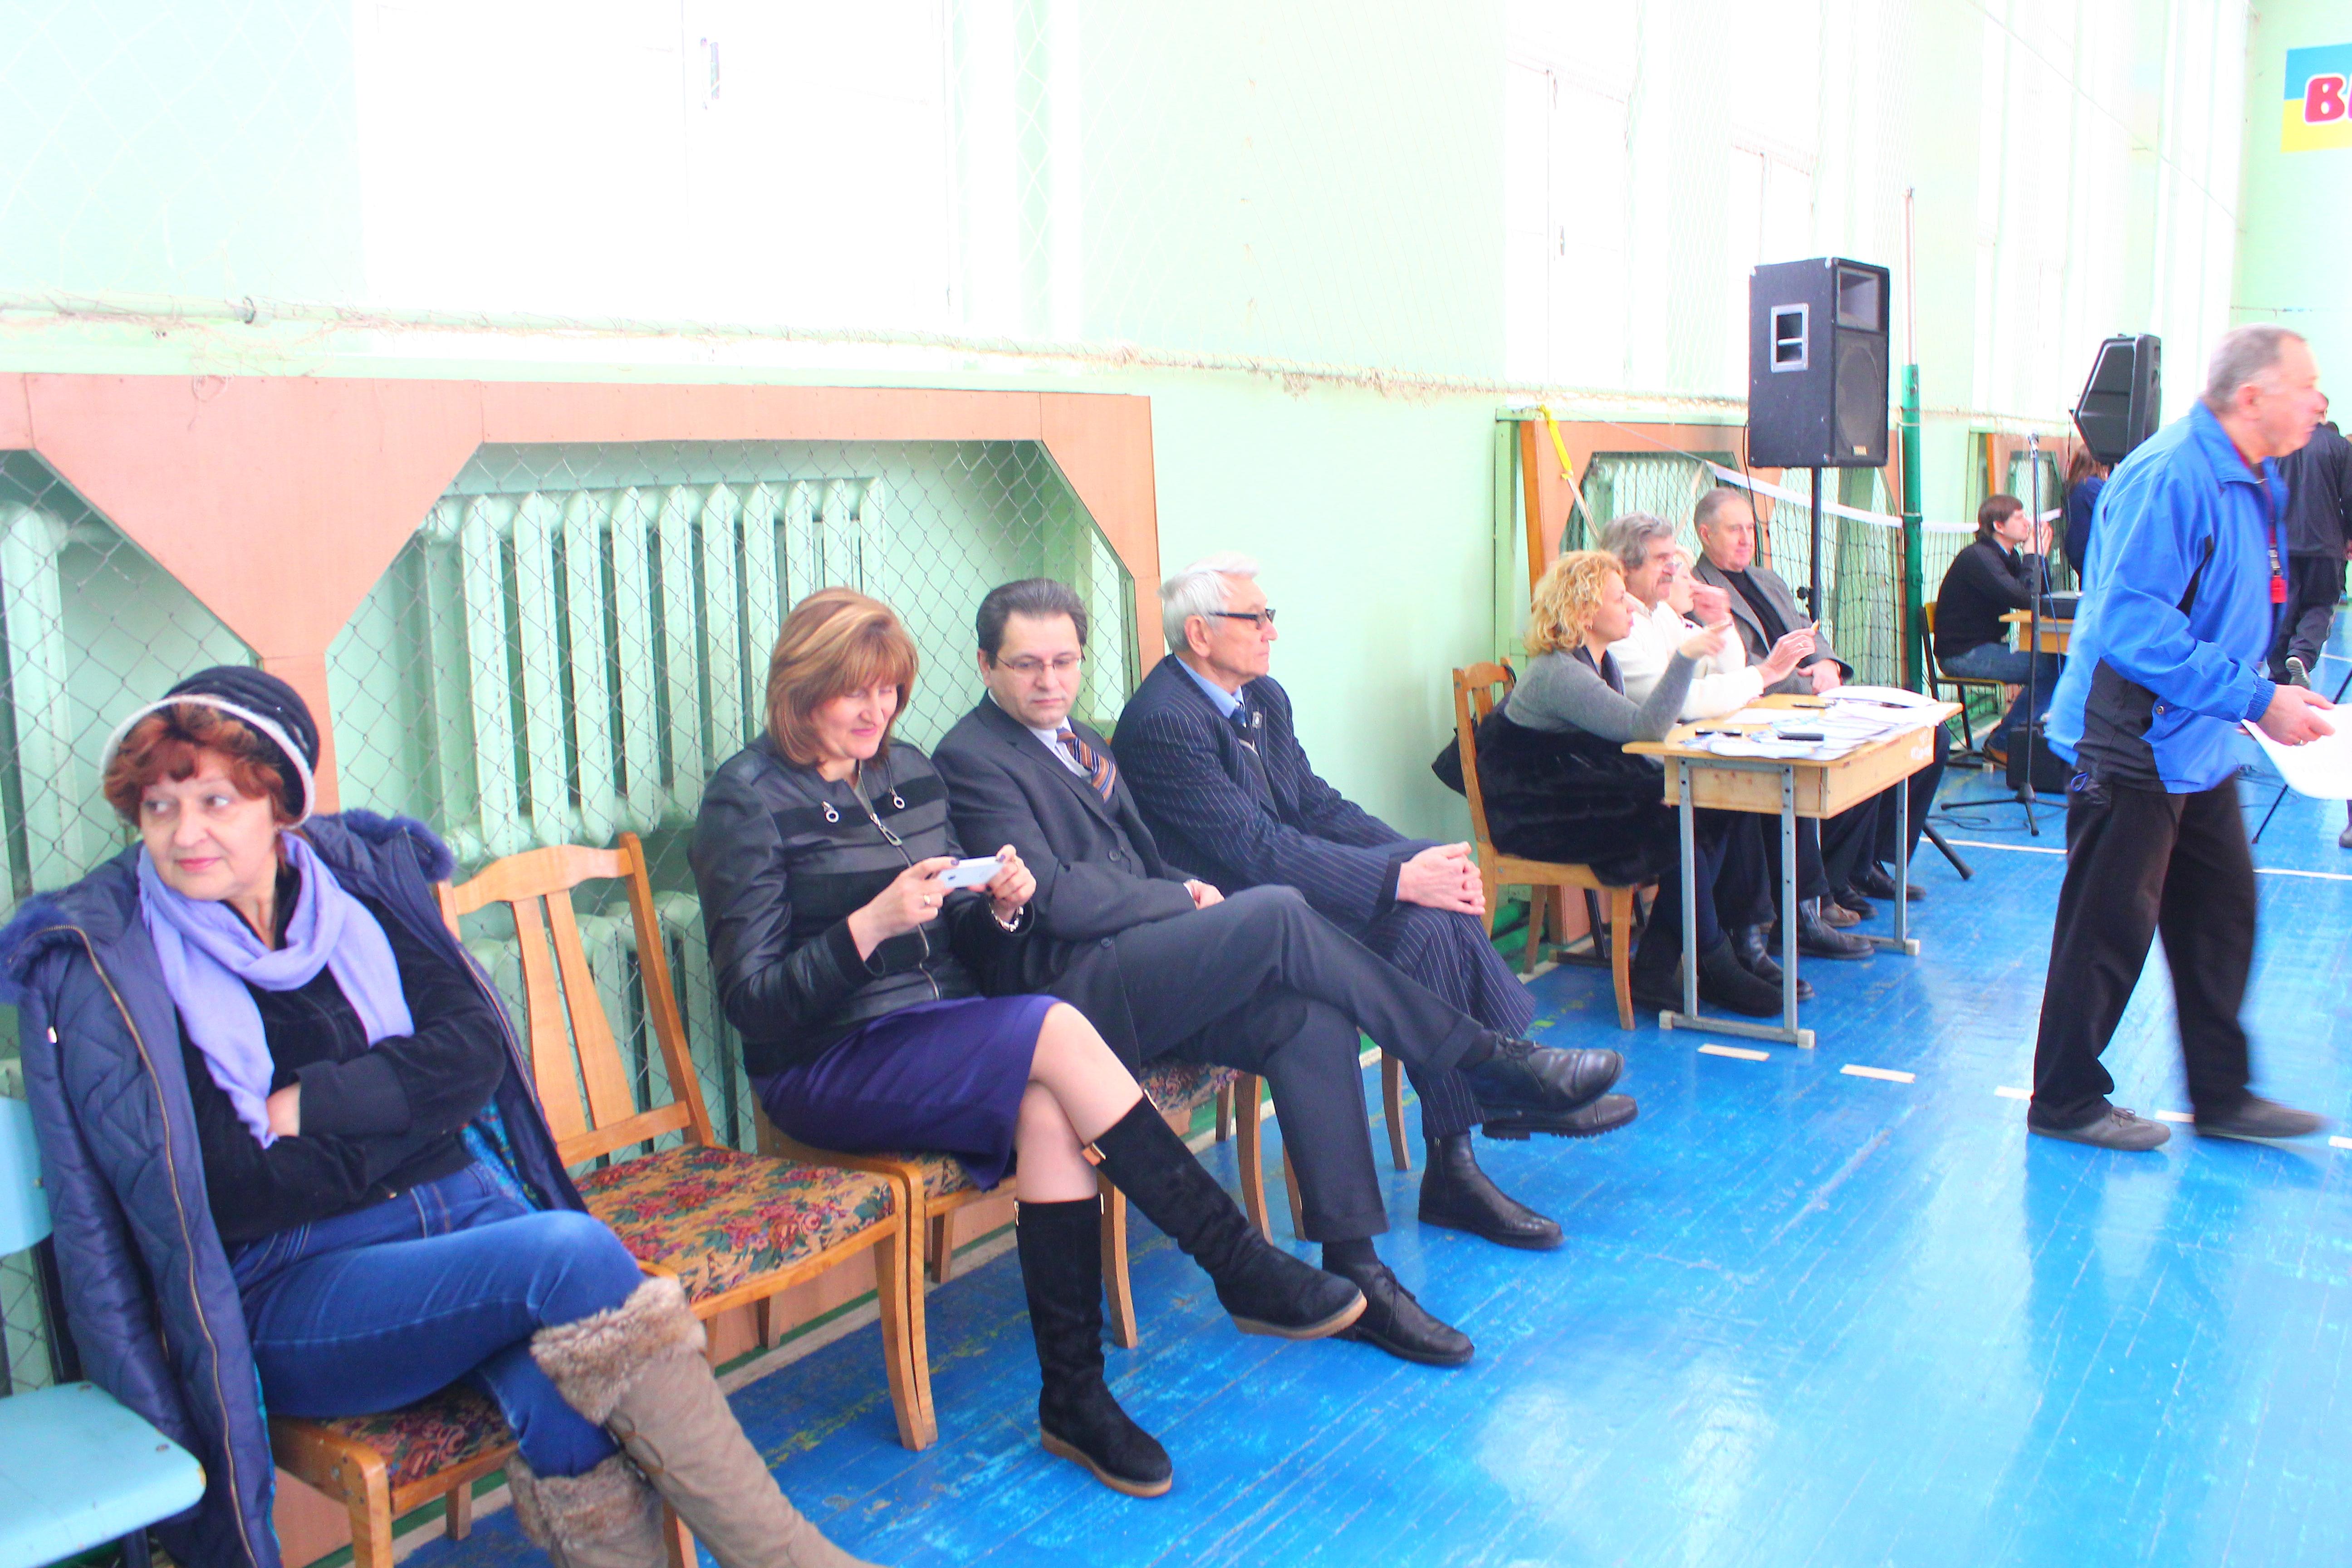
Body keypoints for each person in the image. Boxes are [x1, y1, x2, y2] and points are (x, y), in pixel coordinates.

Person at [0, 667, 877, 1568]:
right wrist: (405, 1117)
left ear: (280, 803)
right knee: (571, 1256)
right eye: (159, 808)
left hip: (461, 1228)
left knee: (562, 1394)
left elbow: (472, 1056)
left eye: (216, 801)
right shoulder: (132, 970)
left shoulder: (357, 902)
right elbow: (236, 1183)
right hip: (297, 1284)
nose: (184, 833)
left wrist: (314, 1105)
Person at [691, 588, 1364, 1499]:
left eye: (888, 691)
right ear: (800, 687)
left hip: (940, 1031)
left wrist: (1000, 910)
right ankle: (1235, 1261)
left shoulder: (905, 772)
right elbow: (755, 1005)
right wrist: (870, 926)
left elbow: (967, 943)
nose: (876, 711)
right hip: (828, 1059)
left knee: (1048, 1108)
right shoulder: (745, 802)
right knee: (1050, 1024)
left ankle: (1073, 1399)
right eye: (854, 692)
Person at [933, 580, 1629, 1360]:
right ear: (987, 665)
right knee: (1275, 911)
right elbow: (1055, 896)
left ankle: (1359, 1273)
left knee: (1308, 1018)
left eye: (1064, 662)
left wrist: (1179, 887)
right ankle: (1485, 1059)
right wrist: (1177, 895)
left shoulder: (1082, 739)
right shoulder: (971, 757)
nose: (1049, 680)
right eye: (1027, 664)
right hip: (1070, 997)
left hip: (1147, 963)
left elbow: (1143, 854)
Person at [1112, 554, 1617, 1253]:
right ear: (1199, 634)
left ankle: (1474, 1138)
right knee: (1422, 910)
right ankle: (1505, 1090)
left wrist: (1422, 857)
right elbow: (1257, 849)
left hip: (1289, 899)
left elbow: (1316, 805)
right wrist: (1401, 878)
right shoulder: (1163, 723)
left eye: (1269, 616)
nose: (1271, 631)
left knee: (1434, 911)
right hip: (1237, 927)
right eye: (1255, 619)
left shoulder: (1262, 697)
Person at [2030, 323, 2336, 1151]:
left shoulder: (2251, 476)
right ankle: (2063, 1100)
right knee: (2106, 930)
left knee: (2219, 918)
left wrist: (2270, 687)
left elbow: (2225, 603)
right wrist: (2257, 700)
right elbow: (2133, 629)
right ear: (2252, 396)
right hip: (2131, 743)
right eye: (2307, 385)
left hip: (2196, 741)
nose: (2320, 401)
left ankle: (2222, 1095)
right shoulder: (2173, 475)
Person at [1455, 549, 1785, 1018]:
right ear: (1584, 613)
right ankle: (1710, 962)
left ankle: (1659, 966)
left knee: (1707, 813)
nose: (1632, 605)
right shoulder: (1560, 674)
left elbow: (1625, 741)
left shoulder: (1599, 662)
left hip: (1574, 800)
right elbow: (1645, 729)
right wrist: (1686, 657)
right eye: (1618, 599)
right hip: (1537, 819)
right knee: (1679, 831)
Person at [1689, 488, 1941, 944]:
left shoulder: (1767, 579)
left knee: (1924, 740)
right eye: (1734, 530)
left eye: (1750, 529)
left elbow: (1807, 630)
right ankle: (1825, 888)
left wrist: (1827, 664)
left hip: (1813, 694)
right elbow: (1742, 666)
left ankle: (1863, 864)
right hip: (1769, 707)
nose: (1747, 539)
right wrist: (1808, 685)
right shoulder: (1698, 592)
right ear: (1706, 535)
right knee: (1846, 759)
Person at [1601, 516, 1822, 996]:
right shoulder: (1623, 629)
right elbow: (1685, 702)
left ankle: (1718, 950)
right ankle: (1720, 954)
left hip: (1661, 763)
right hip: (1630, 781)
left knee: (1736, 802)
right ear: (1625, 567)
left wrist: (1720, 626)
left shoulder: (1658, 615)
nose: (1674, 568)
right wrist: (1765, 674)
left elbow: (1714, 676)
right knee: (1712, 813)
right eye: (1663, 560)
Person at [1933, 493, 2067, 766]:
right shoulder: (1979, 558)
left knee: (2057, 663)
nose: (2027, 522)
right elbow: (2025, 598)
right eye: (2019, 517)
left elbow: (2040, 595)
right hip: (1963, 655)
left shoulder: (2007, 556)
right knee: (2051, 669)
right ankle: (2002, 742)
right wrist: (2033, 556)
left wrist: (2038, 559)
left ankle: (2012, 735)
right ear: (1999, 526)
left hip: (1987, 647)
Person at [2267, 396, 2352, 687]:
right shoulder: (2340, 447)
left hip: (2283, 542)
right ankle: (2302, 655)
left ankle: (2278, 678)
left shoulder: (2278, 444)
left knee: (2283, 606)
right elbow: (2350, 498)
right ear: (2323, 413)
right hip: (2326, 542)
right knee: (2321, 603)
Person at [2062, 446, 2109, 580]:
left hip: (2078, 549)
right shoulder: (2092, 486)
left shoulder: (2076, 485)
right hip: (2090, 550)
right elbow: (2110, 512)